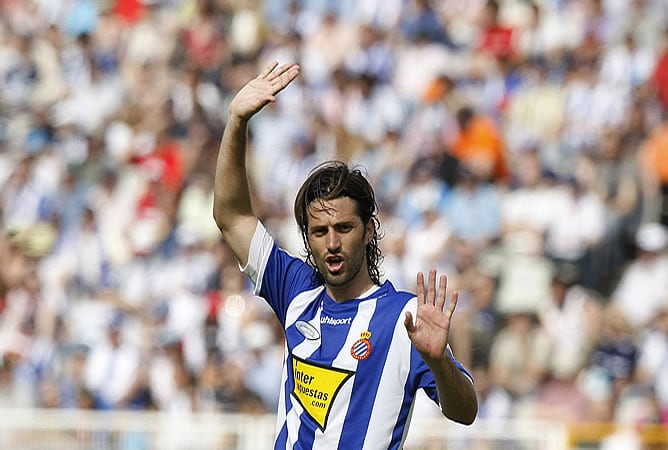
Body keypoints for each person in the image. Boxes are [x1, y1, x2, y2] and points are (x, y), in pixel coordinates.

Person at [212, 61, 477, 449]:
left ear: (369, 230)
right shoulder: (295, 289)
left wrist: (439, 363)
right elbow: (231, 216)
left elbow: (465, 411)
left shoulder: (406, 318)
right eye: (319, 232)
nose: (331, 243)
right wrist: (236, 122)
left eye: (344, 228)